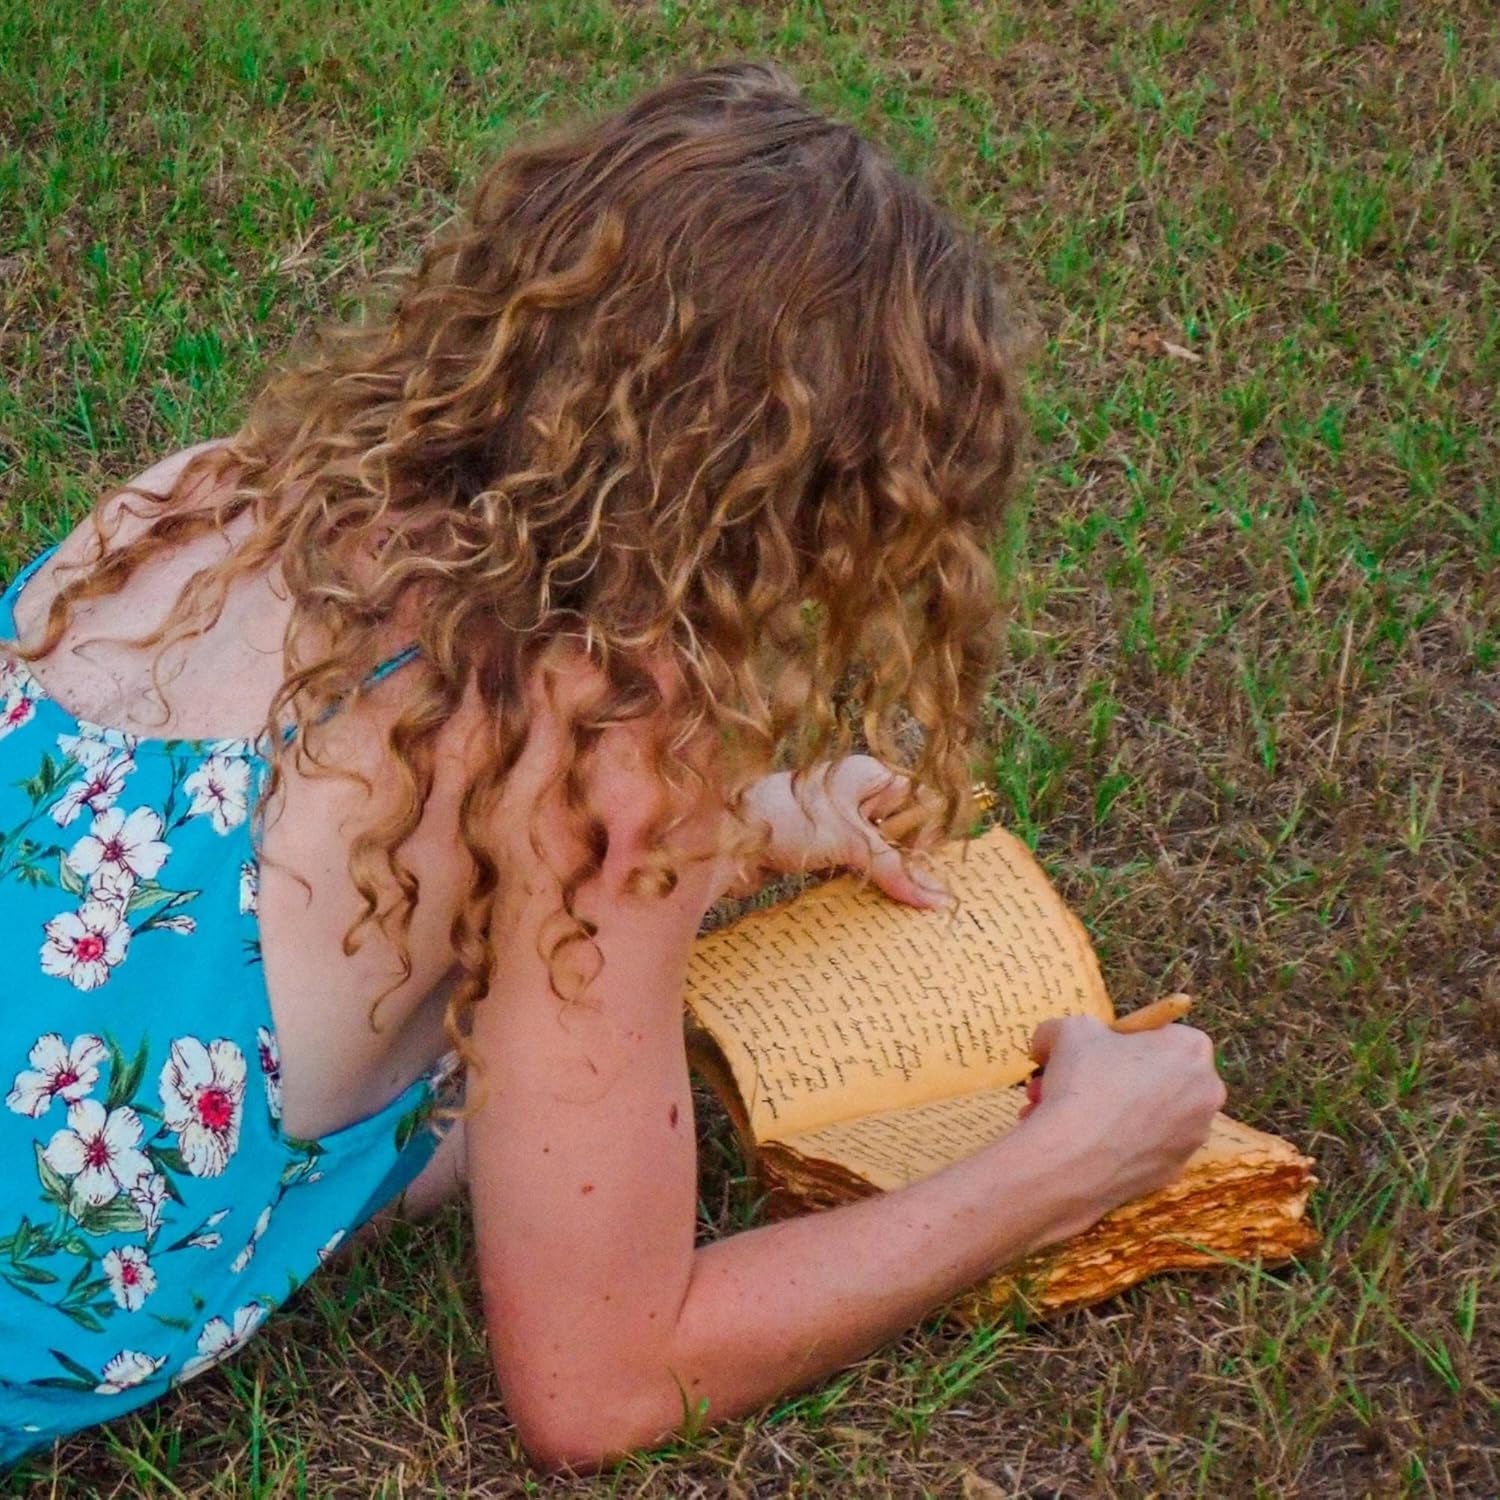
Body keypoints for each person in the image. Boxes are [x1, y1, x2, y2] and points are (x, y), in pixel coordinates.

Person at [0, 61, 1225, 1471]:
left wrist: (741, 835)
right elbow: (602, 1384)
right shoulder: (596, 751)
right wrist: (1066, 1164)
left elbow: (232, 940)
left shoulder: (206, 495)